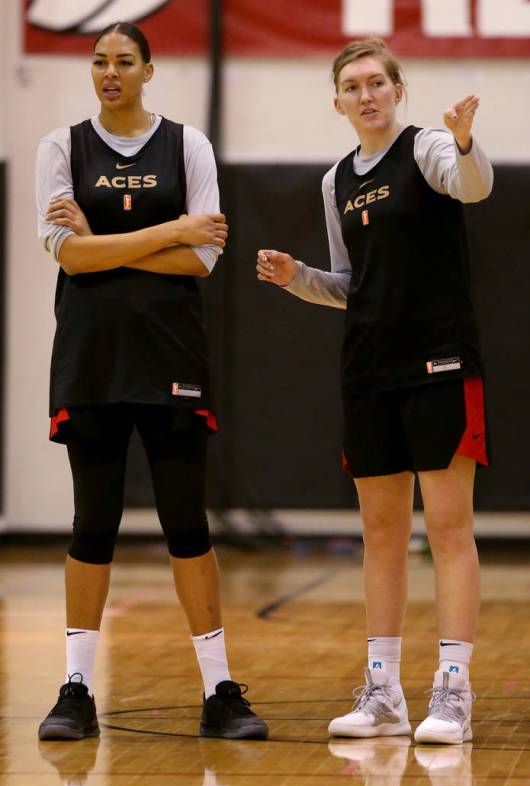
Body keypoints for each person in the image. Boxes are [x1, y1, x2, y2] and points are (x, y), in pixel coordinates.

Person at [257, 37, 493, 745]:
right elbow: (349, 285)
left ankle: (453, 693)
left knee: (449, 529)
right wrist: (297, 277)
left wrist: (464, 139)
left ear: (398, 90)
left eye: (376, 82)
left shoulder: (427, 149)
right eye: (352, 86)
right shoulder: (336, 182)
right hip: (368, 369)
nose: (366, 95)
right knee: (382, 534)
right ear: (338, 102)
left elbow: (473, 185)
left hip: (440, 360)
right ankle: (383, 692)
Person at [36, 21, 268, 742]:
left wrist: (105, 244)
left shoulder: (187, 145)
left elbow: (204, 261)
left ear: (148, 69)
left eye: (124, 61)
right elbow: (69, 258)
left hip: (171, 358)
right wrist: (170, 230)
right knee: (93, 525)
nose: (110, 72)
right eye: (100, 61)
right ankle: (76, 689)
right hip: (93, 359)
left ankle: (218, 690)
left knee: (187, 526)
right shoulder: (59, 147)